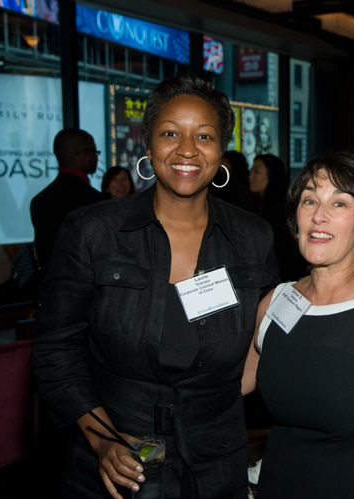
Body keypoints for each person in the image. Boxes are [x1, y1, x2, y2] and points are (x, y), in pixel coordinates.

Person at [31, 74, 280, 499]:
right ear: (148, 145)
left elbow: (268, 325)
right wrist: (102, 437)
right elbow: (55, 351)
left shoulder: (253, 237)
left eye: (204, 135)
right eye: (170, 133)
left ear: (221, 151)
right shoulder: (94, 230)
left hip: (216, 463)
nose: (187, 149)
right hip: (116, 460)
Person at [241, 152, 354, 499]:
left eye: (340, 203)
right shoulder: (275, 301)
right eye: (310, 200)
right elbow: (229, 386)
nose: (319, 215)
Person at [30, 129, 104, 280]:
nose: (96, 157)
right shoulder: (95, 201)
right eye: (95, 152)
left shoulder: (39, 201)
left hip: (49, 289)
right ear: (83, 155)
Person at [250, 154, 306, 281]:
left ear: (271, 176)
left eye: (256, 172)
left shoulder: (278, 209)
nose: (250, 177)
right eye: (251, 171)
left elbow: (284, 252)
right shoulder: (259, 204)